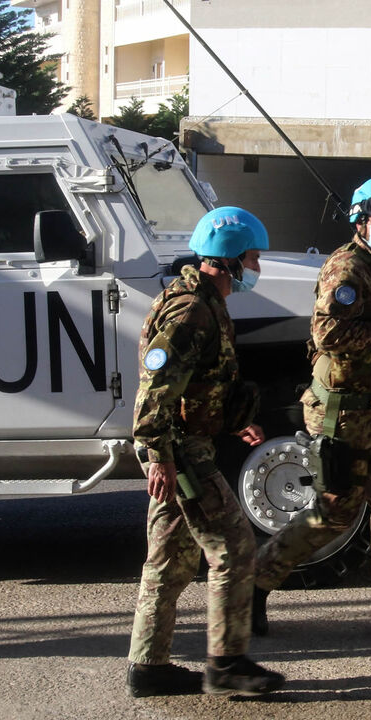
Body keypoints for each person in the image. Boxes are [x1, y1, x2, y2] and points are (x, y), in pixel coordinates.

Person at [251, 176, 371, 633]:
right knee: (338, 509)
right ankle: (254, 586)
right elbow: (329, 335)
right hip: (340, 409)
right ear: (360, 222)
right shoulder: (347, 269)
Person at [126, 206, 284, 697]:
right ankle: (227, 664)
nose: (257, 266)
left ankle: (148, 667)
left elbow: (200, 385)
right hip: (179, 452)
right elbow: (155, 388)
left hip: (182, 444)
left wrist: (237, 423)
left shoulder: (205, 302)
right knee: (235, 549)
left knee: (170, 561)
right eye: (253, 257)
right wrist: (161, 457)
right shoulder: (192, 310)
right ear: (231, 259)